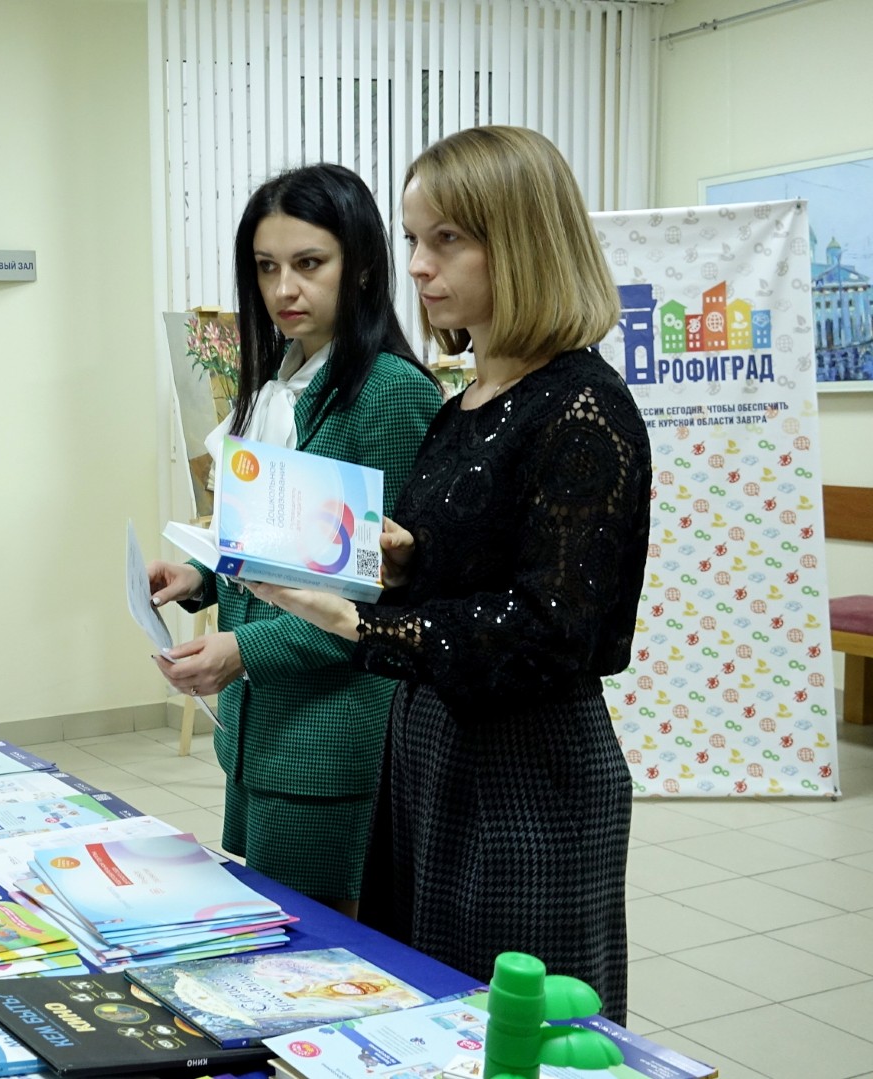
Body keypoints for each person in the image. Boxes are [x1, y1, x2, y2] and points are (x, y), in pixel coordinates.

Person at [248, 126, 650, 1022]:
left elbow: (555, 628)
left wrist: (361, 621)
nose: (420, 267)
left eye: (448, 240)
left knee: (508, 1024)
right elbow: (482, 561)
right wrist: (410, 561)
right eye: (413, 240)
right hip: (430, 749)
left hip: (526, 774)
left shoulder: (582, 407)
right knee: (423, 1005)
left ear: (525, 243)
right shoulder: (467, 399)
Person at [147, 164, 443, 915]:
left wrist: (244, 649)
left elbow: (377, 596)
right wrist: (200, 578)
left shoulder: (389, 392)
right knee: (272, 935)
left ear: (362, 265)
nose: (284, 289)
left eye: (309, 264)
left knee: (318, 950)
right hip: (262, 732)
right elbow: (280, 541)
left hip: (329, 738)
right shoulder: (282, 376)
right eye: (267, 266)